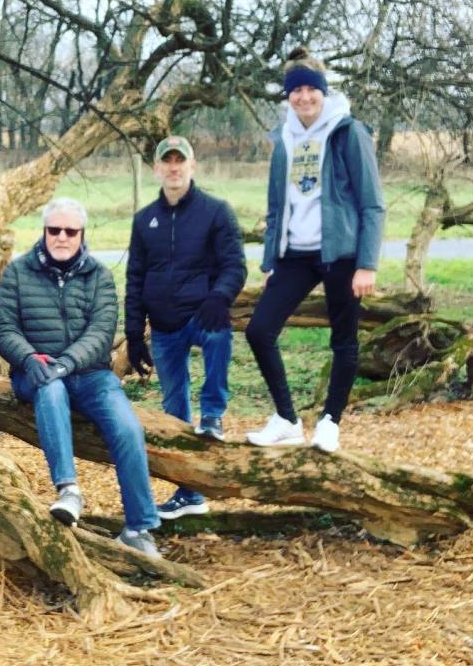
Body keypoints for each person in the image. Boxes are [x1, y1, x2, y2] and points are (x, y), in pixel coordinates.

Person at [0, 197, 161, 557]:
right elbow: (4, 328)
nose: (62, 237)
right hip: (35, 372)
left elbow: (101, 332)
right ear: (44, 231)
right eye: (54, 229)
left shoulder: (99, 276)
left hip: (90, 374)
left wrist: (67, 362)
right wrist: (28, 358)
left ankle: (139, 528)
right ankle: (69, 491)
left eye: (71, 231)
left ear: (82, 234)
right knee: (50, 388)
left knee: (128, 428)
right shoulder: (18, 272)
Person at [245, 47, 385, 452]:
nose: (304, 97)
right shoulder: (284, 138)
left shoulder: (347, 131)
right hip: (296, 255)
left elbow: (373, 202)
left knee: (344, 340)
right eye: (296, 90)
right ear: (288, 95)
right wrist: (270, 260)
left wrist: (367, 264)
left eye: (311, 89)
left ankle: (330, 422)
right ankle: (287, 419)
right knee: (259, 330)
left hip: (340, 252)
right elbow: (277, 205)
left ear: (323, 91)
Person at [125, 136, 246, 519]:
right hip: (164, 325)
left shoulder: (216, 212)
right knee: (174, 411)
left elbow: (235, 265)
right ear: (157, 168)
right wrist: (133, 333)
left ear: (192, 166)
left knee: (219, 333)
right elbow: (135, 277)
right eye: (168, 161)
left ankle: (213, 414)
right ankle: (189, 493)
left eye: (181, 160)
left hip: (203, 314)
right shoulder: (144, 220)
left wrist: (219, 297)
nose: (174, 167)